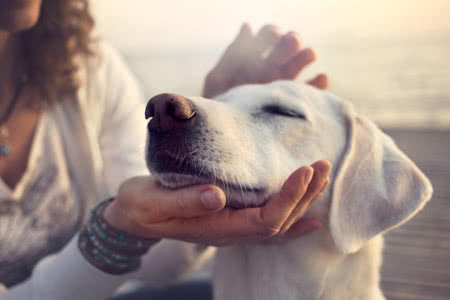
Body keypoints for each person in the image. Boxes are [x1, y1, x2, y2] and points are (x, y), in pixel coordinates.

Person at [0, 0, 331, 299]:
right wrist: (116, 229)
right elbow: (129, 228)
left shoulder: (86, 68)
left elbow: (157, 266)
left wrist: (214, 139)